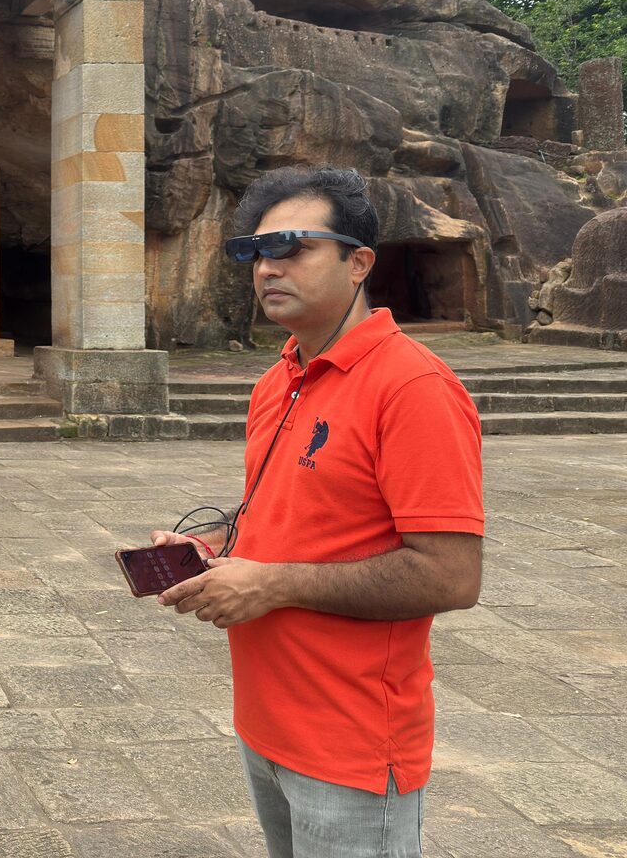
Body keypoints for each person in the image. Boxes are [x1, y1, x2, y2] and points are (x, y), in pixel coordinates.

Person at [147, 166, 483, 858]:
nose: (269, 267)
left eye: (295, 247)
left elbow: (450, 577)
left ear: (359, 262)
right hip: (266, 720)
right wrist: (218, 544)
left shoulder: (412, 387)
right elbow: (292, 507)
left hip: (352, 741)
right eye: (256, 252)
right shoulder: (280, 379)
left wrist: (271, 583)